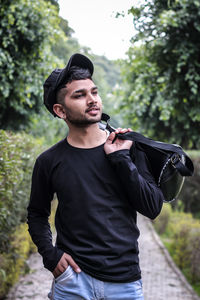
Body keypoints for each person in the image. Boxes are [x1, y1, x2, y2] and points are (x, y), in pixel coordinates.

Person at [27, 53, 164, 300]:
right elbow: (37, 213)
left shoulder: (128, 146)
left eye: (94, 92)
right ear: (60, 110)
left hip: (124, 281)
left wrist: (121, 159)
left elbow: (153, 207)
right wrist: (50, 255)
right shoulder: (48, 161)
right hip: (73, 281)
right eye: (79, 95)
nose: (92, 100)